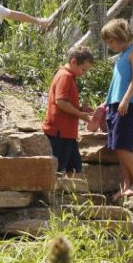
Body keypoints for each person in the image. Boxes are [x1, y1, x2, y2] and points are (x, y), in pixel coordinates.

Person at [101, 18, 133, 201]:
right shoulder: (120, 57)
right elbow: (115, 83)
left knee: (123, 145)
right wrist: (104, 103)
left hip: (127, 104)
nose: (109, 45)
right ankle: (127, 183)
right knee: (116, 146)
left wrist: (126, 100)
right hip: (115, 104)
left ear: (119, 36)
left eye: (111, 41)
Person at [41, 46, 95, 177]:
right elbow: (61, 102)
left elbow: (66, 101)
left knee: (74, 166)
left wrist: (81, 108)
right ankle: (57, 194)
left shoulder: (69, 76)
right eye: (83, 69)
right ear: (74, 62)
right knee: (59, 168)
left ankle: (68, 193)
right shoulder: (65, 76)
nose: (84, 73)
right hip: (59, 132)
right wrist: (80, 114)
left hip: (68, 132)